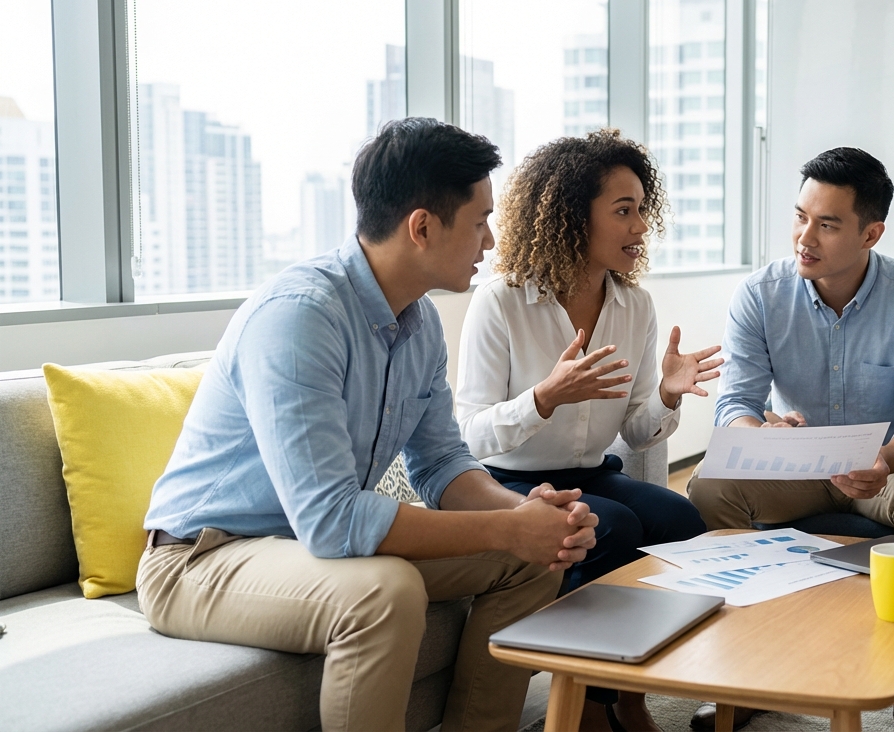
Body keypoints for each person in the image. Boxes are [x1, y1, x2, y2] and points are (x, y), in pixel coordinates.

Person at [139, 118, 599, 732]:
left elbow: (440, 464)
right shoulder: (301, 318)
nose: (490, 241)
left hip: (303, 548)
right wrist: (508, 527)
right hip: (203, 558)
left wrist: (521, 519)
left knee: (535, 561)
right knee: (385, 592)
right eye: (480, 220)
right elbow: (333, 521)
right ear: (423, 226)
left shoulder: (421, 325)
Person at [454, 129, 719, 732]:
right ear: (573, 216)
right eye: (622, 211)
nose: (639, 227)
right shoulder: (502, 302)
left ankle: (631, 690)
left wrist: (666, 397)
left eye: (642, 211)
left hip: (592, 474)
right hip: (509, 482)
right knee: (614, 525)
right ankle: (590, 708)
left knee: (683, 522)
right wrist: (543, 399)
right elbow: (469, 435)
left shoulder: (635, 306)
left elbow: (636, 429)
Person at [686, 146, 894, 732]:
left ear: (871, 233)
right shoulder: (760, 294)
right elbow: (735, 404)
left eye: (827, 224)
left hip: (889, 469)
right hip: (798, 465)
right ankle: (746, 670)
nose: (804, 236)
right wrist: (762, 434)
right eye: (800, 216)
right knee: (710, 487)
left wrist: (883, 461)